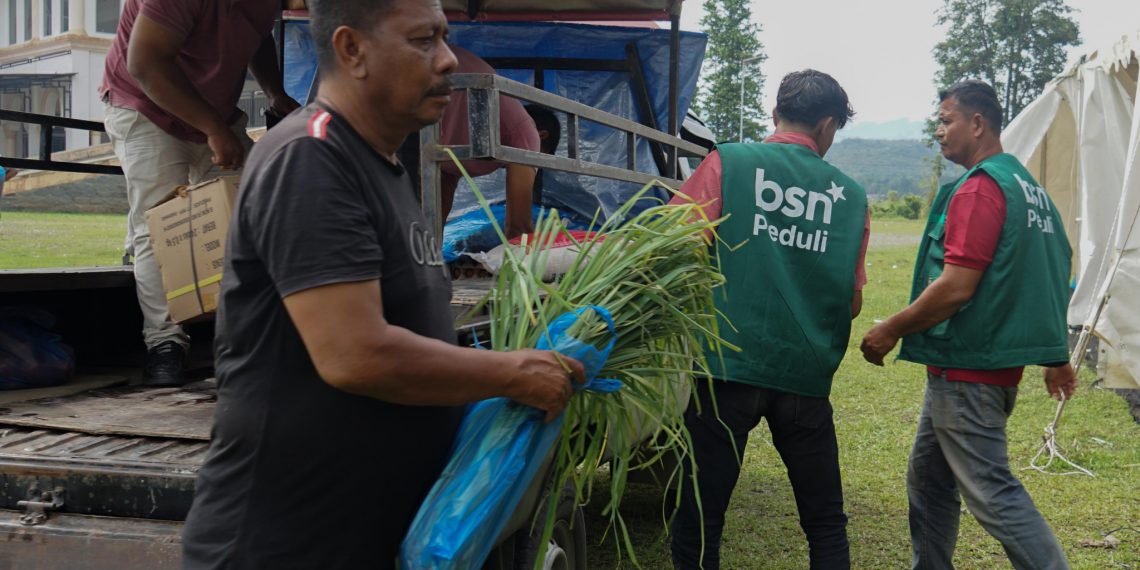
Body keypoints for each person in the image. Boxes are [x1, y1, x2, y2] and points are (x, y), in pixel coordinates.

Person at [180, 1, 583, 568]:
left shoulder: (385, 166)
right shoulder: (312, 158)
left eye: (445, 39)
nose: (447, 61)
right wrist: (512, 372)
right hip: (285, 545)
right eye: (423, 40)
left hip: (354, 537)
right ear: (352, 50)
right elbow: (354, 354)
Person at [860, 80, 1077, 570]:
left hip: (969, 373)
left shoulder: (981, 188)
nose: (938, 131)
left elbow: (957, 286)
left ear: (977, 124)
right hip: (974, 369)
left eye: (946, 119)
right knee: (929, 480)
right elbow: (1045, 275)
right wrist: (1056, 357)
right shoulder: (1030, 190)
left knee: (993, 493)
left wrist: (893, 326)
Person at [670, 69, 870, 570]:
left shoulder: (728, 163)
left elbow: (675, 249)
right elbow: (852, 303)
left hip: (725, 369)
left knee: (701, 517)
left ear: (775, 112)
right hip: (804, 379)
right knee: (825, 523)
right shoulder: (850, 198)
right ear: (827, 125)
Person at [100, 0, 300, 387]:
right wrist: (214, 129)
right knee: (156, 224)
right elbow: (145, 64)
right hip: (146, 105)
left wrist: (274, 92)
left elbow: (256, 37)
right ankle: (165, 344)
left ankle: (250, 336)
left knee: (256, 209)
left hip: (215, 110)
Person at [437, 45, 541, 237]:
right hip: (420, 73)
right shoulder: (527, 134)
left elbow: (446, 176)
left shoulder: (454, 144)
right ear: (543, 137)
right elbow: (519, 229)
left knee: (421, 235)